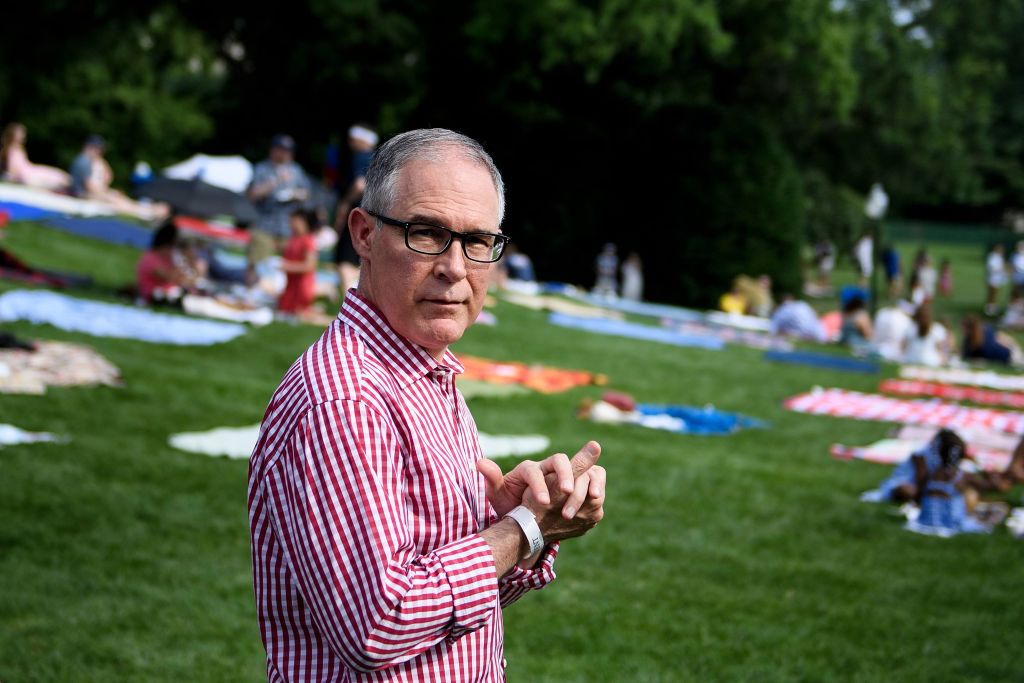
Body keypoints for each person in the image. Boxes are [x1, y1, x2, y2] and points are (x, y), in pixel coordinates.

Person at [248, 128, 607, 681]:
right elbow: (379, 624)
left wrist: (523, 525)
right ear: (365, 234)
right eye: (427, 233)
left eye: (478, 241)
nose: (455, 267)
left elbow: (444, 613)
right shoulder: (348, 399)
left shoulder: (423, 370)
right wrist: (518, 532)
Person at [246, 135, 312, 281]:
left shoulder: (296, 170)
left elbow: (306, 193)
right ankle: (249, 295)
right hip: (264, 225)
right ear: (273, 150)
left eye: (288, 151)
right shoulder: (262, 169)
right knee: (256, 264)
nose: (285, 153)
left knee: (286, 267)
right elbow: (253, 194)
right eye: (281, 150)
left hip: (288, 228)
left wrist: (297, 195)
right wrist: (276, 181)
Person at [69, 135, 169, 221]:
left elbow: (107, 177)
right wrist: (107, 193)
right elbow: (90, 187)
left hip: (84, 193)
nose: (100, 153)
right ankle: (147, 212)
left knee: (116, 197)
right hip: (83, 195)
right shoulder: (85, 162)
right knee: (116, 199)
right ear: (91, 147)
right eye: (99, 149)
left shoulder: (84, 160)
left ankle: (148, 211)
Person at [861, 429, 965, 504]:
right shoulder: (921, 455)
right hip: (909, 482)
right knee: (907, 491)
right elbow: (921, 477)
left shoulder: (947, 461)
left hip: (928, 486)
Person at [333, 124, 378, 294]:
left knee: (345, 258)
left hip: (357, 210)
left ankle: (348, 300)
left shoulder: (360, 157)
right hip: (373, 211)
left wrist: (345, 203)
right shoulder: (379, 159)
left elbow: (359, 185)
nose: (350, 142)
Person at [0, 122, 70, 191]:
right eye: (21, 133)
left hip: (28, 171)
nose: (23, 135)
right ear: (13, 135)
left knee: (55, 175)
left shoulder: (17, 148)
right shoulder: (12, 150)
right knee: (55, 177)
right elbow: (12, 171)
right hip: (26, 175)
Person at [277, 209, 318, 317]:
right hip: (291, 285)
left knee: (301, 315)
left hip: (301, 286)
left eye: (293, 221)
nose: (291, 224)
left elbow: (309, 265)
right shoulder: (294, 238)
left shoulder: (308, 240)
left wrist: (287, 267)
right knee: (284, 311)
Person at [136, 222, 189, 304]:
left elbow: (184, 279)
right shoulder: (150, 258)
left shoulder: (169, 260)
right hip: (153, 295)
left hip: (169, 292)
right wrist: (179, 262)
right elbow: (169, 277)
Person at [902, 302, 948, 367]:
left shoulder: (910, 328)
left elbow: (903, 347)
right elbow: (941, 350)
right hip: (931, 361)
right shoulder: (938, 329)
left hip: (911, 359)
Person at [984, 243, 1006, 316]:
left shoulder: (999, 257)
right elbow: (992, 268)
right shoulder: (992, 256)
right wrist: (1001, 269)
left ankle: (993, 307)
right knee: (991, 294)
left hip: (997, 278)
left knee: (995, 294)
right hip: (992, 279)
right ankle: (989, 309)